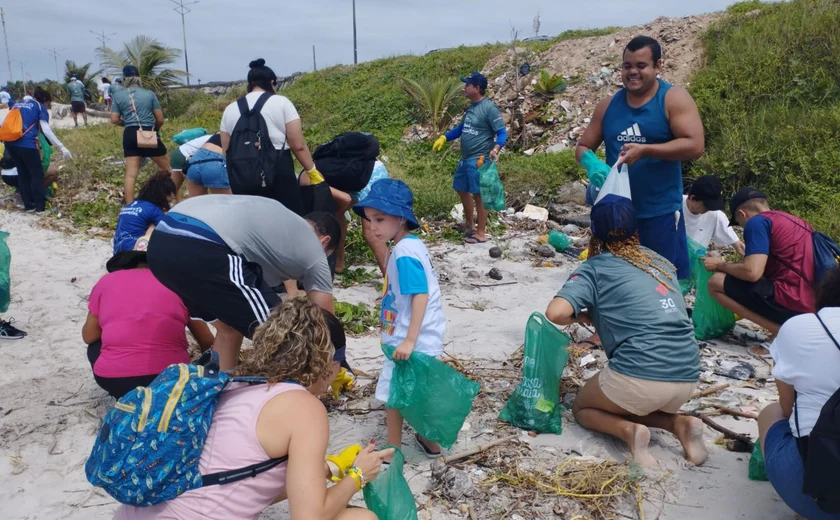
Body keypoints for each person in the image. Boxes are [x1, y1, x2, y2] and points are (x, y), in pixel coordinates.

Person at [113, 298, 391, 520]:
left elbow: (248, 485)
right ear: (327, 363)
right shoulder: (305, 408)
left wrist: (331, 468)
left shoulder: (233, 384)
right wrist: (357, 476)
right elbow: (310, 516)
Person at [545, 194, 705, 468]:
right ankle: (679, 423)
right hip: (687, 375)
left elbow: (555, 313)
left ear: (593, 233)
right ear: (636, 229)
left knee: (583, 408)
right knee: (633, 401)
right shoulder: (659, 262)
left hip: (639, 376)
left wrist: (577, 316)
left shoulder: (594, 268)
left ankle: (630, 433)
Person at [146, 195, 340, 370]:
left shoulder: (279, 219)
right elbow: (325, 324)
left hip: (160, 245)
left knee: (229, 328)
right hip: (202, 244)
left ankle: (216, 392)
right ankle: (294, 400)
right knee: (286, 334)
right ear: (324, 241)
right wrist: (337, 361)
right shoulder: (314, 249)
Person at [576, 36, 705, 280]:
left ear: (658, 66)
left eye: (641, 66)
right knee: (617, 281)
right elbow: (583, 146)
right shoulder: (607, 106)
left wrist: (647, 150)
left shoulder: (672, 99)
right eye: (627, 66)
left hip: (659, 211)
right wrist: (592, 164)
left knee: (660, 280)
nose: (633, 72)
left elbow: (695, 145)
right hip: (616, 213)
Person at [353, 179, 447, 460]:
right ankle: (429, 442)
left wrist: (409, 340)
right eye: (370, 220)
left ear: (401, 218)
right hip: (417, 337)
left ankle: (394, 448)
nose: (373, 227)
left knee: (397, 395)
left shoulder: (404, 252)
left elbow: (420, 295)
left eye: (380, 219)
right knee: (413, 393)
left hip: (411, 341)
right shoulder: (411, 245)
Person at [757, 268, 840, 520]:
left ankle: (804, 510)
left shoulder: (799, 326)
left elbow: (787, 405)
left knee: (771, 412)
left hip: (817, 497)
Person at [83, 247, 215, 399]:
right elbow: (206, 341)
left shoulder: (106, 281)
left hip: (114, 381)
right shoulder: (178, 284)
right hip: (171, 380)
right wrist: (213, 374)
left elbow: (88, 336)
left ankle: (125, 395)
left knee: (96, 343)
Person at [703, 188, 816, 340]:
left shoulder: (756, 222)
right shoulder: (794, 221)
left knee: (715, 283)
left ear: (742, 214)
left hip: (796, 303)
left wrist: (719, 265)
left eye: (740, 223)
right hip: (817, 304)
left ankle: (780, 332)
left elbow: (752, 272)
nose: (743, 227)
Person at [221, 59, 321, 216]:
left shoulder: (230, 109)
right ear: (272, 82)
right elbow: (298, 145)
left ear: (250, 84)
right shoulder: (282, 103)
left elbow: (226, 150)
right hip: (278, 171)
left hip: (242, 174)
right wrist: (312, 171)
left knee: (254, 222)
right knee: (288, 219)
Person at [433, 72, 507, 244]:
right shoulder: (471, 108)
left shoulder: (489, 108)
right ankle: (469, 224)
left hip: (479, 159)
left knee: (479, 195)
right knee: (461, 188)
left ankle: (481, 233)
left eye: (467, 85)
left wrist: (496, 148)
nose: (464, 88)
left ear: (477, 88)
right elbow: (461, 129)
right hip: (465, 158)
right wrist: (444, 138)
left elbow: (502, 133)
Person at [301, 158, 390, 275]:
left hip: (369, 174)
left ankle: (392, 281)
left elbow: (346, 199)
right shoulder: (309, 180)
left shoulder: (307, 181)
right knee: (336, 216)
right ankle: (339, 264)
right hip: (359, 172)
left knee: (371, 232)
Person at [5, 87, 72, 212]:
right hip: (26, 143)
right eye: (49, 104)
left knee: (23, 173)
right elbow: (46, 129)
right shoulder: (39, 106)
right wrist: (62, 148)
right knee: (36, 174)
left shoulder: (18, 103)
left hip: (10, 143)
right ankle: (40, 207)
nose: (48, 107)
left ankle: (29, 206)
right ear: (45, 100)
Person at [110, 65, 169, 204]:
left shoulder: (118, 95)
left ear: (125, 79)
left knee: (131, 174)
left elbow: (114, 119)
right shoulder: (149, 94)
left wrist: (127, 125)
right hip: (148, 132)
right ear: (138, 78)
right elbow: (160, 119)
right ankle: (177, 201)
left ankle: (130, 206)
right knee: (167, 169)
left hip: (129, 133)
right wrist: (155, 130)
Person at [113, 171, 176, 254]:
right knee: (157, 225)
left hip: (117, 251)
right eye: (169, 200)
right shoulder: (153, 210)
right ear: (163, 196)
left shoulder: (130, 205)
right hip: (134, 253)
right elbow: (170, 229)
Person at [683, 175, 745, 255]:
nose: (709, 209)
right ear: (692, 198)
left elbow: (738, 246)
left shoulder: (715, 215)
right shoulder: (673, 207)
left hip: (694, 263)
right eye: (706, 205)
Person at [184, 132, 230, 196]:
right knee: (228, 204)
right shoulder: (243, 133)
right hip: (215, 162)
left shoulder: (223, 130)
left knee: (196, 205)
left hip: (195, 160)